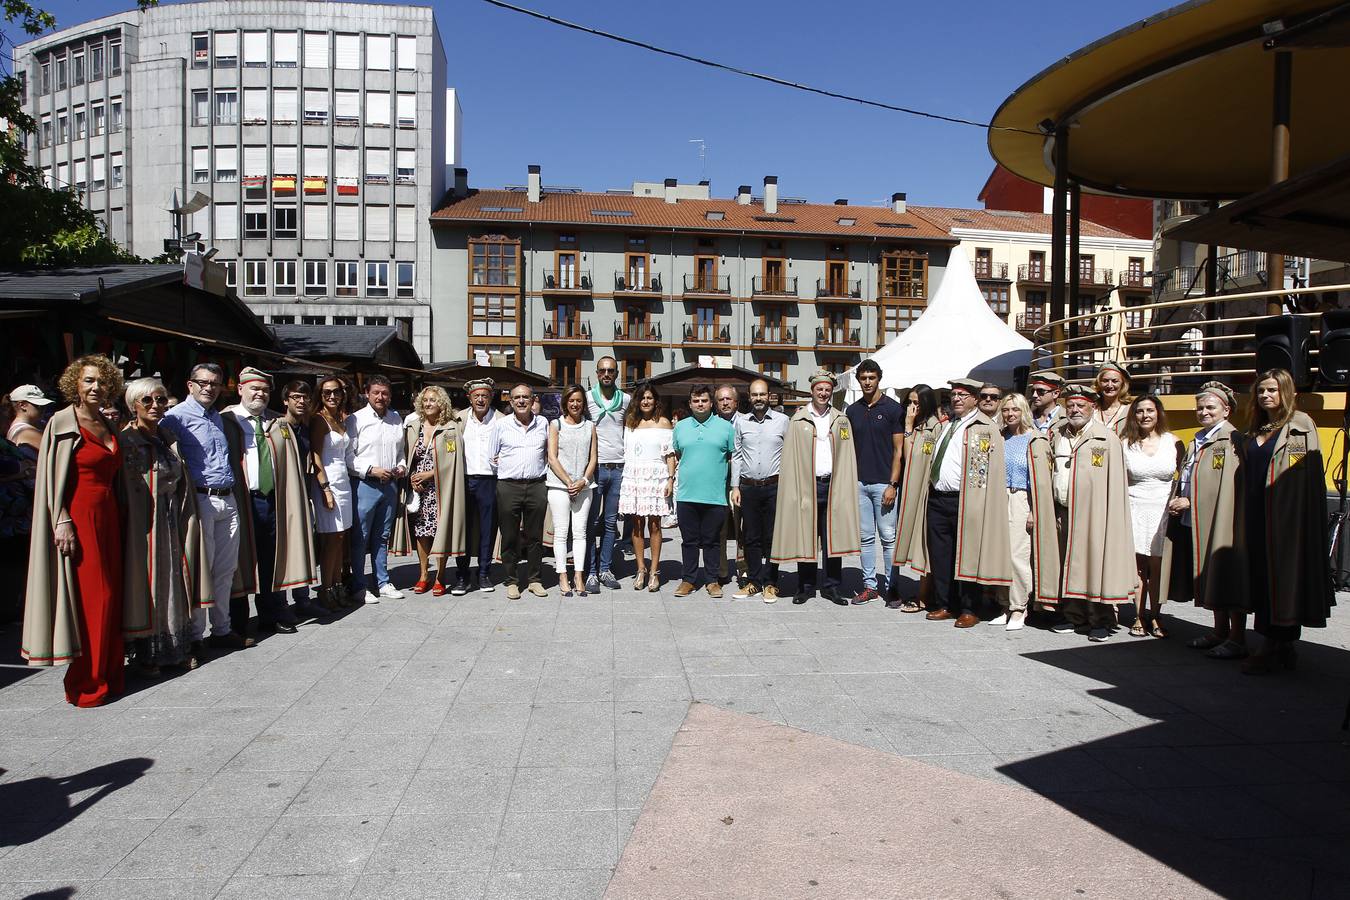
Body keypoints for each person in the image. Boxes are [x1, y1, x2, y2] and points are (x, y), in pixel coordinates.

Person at [22, 355, 126, 706]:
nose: (97, 387)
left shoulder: (106, 423)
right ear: (74, 385)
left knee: (112, 595)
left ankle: (110, 673)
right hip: (81, 517)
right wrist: (61, 518)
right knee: (94, 598)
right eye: (89, 381)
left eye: (102, 381)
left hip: (110, 515)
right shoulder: (62, 422)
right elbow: (52, 479)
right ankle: (86, 683)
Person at [1240, 368, 1334, 674]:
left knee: (1282, 577)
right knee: (1261, 577)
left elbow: (1301, 476)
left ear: (1286, 392)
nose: (1265, 395)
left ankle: (1273, 642)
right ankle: (1280, 645)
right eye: (1261, 390)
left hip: (1285, 517)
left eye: (1271, 390)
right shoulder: (1256, 426)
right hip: (1255, 514)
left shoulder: (1300, 425)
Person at [896, 378, 1010, 627]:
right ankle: (946, 603)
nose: (956, 399)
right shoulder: (946, 427)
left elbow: (989, 471)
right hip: (938, 498)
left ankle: (969, 608)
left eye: (962, 395)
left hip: (967, 499)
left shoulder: (984, 427)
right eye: (954, 395)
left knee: (967, 554)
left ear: (974, 399)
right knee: (941, 554)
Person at [1028, 384, 1135, 641]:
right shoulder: (1059, 434)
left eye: (1081, 405)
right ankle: (1073, 615)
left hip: (1093, 514)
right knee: (1067, 565)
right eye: (1071, 405)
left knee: (1093, 565)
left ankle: (1101, 619)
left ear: (1093, 407)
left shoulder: (1105, 438)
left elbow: (1115, 482)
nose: (1075, 410)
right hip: (1062, 512)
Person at [161, 363, 253, 651]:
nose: (209, 388)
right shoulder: (175, 418)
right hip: (200, 499)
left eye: (214, 383)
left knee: (226, 569)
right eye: (203, 382)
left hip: (227, 497)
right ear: (190, 385)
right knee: (202, 568)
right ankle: (196, 635)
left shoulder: (217, 417)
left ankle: (222, 629)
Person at [120, 377, 208, 673]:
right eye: (147, 401)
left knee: (175, 582)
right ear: (134, 406)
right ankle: (148, 654)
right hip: (143, 524)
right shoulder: (127, 440)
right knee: (149, 584)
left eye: (160, 399)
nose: (156, 405)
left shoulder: (167, 436)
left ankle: (175, 648)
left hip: (171, 518)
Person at [223, 368, 316, 635]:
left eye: (264, 390)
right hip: (241, 499)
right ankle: (236, 621)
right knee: (238, 562)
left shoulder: (276, 422)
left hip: (272, 499)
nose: (260, 394)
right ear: (240, 390)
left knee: (270, 558)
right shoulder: (227, 420)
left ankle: (271, 613)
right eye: (254, 389)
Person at [1159, 381, 1248, 653]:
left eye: (1211, 407)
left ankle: (1236, 637)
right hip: (1192, 518)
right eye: (1200, 408)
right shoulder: (1198, 438)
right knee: (1207, 575)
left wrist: (1190, 500)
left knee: (1225, 576)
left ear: (1226, 411)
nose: (1204, 412)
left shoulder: (1232, 440)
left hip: (1219, 520)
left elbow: (1228, 487)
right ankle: (1218, 631)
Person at [772, 370, 860, 605]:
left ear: (832, 392)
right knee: (806, 535)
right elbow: (790, 458)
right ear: (812, 391)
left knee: (833, 538)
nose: (823, 393)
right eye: (819, 389)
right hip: (806, 485)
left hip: (832, 485)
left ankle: (832, 586)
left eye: (827, 390)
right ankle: (806, 586)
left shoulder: (841, 419)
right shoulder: (798, 419)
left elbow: (847, 454)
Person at [1121, 394, 1183, 638]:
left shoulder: (1174, 442)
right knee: (1138, 567)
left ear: (1158, 413)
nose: (1145, 415)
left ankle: (1155, 615)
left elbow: (1183, 477)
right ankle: (1137, 615)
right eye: (1139, 411)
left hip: (1163, 510)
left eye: (1150, 410)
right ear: (1133, 415)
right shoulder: (1125, 443)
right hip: (1134, 506)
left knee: (1158, 566)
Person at [845, 360, 905, 604]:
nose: (867, 382)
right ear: (858, 380)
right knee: (865, 538)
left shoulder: (893, 409)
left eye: (872, 377)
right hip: (859, 483)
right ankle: (870, 586)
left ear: (879, 378)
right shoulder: (852, 410)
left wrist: (893, 484)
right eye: (863, 378)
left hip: (884, 483)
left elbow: (898, 450)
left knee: (888, 538)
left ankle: (892, 587)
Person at [398, 385, 466, 596]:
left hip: (440, 488)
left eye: (433, 400)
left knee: (439, 530)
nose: (428, 403)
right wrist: (412, 479)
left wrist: (428, 475)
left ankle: (440, 576)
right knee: (421, 533)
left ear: (442, 403)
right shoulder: (413, 426)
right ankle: (423, 574)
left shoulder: (450, 428)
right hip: (419, 490)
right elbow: (406, 457)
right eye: (425, 400)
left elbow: (451, 462)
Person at [346, 375, 407, 604]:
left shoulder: (395, 419)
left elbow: (401, 452)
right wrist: (371, 470)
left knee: (382, 537)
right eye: (376, 393)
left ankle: (383, 581)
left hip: (389, 485)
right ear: (367, 393)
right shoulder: (356, 419)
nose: (381, 397)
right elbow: (349, 456)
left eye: (385, 393)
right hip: (365, 484)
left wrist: (401, 467)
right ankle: (359, 585)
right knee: (360, 537)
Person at [671, 384, 735, 598]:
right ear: (690, 404)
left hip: (715, 496)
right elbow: (679, 454)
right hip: (687, 495)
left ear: (711, 403)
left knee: (712, 541)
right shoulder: (680, 427)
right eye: (696, 400)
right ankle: (688, 580)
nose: (700, 404)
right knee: (689, 541)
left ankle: (712, 580)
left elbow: (731, 458)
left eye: (704, 400)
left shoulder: (725, 427)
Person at [730, 379, 789, 602]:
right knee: (751, 537)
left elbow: (790, 454)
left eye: (762, 394)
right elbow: (736, 455)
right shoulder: (741, 423)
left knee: (772, 537)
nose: (758, 399)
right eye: (755, 395)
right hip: (748, 487)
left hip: (775, 487)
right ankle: (754, 581)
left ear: (769, 396)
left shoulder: (783, 421)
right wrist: (735, 486)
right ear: (749, 396)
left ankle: (771, 583)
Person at [490, 384, 550, 600]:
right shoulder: (501, 425)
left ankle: (535, 580)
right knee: (510, 536)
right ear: (511, 401)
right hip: (508, 486)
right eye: (517, 398)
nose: (522, 401)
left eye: (526, 397)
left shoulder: (543, 423)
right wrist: (507, 471)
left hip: (536, 485)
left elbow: (549, 454)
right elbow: (492, 456)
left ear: (533, 399)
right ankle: (512, 580)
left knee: (535, 537)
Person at [618, 384, 674, 592]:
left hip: (656, 477)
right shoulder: (631, 423)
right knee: (637, 524)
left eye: (649, 398)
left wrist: (670, 479)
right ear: (637, 401)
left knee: (655, 525)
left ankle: (654, 571)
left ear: (655, 400)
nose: (646, 401)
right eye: (642, 398)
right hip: (635, 476)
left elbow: (669, 454)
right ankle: (640, 569)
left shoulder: (664, 423)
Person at [310, 377, 356, 611]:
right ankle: (326, 588)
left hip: (343, 481)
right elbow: (316, 455)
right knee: (330, 538)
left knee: (340, 538)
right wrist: (325, 488)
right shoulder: (319, 421)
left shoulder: (339, 419)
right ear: (320, 395)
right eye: (327, 392)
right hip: (327, 483)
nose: (332, 396)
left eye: (336, 392)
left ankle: (338, 584)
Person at [548, 385, 598, 596]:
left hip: (584, 486)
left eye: (579, 401)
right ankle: (562, 575)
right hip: (559, 486)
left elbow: (593, 457)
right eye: (571, 401)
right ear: (565, 403)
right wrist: (569, 481)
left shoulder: (590, 426)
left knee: (580, 533)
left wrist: (583, 481)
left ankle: (578, 574)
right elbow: (552, 457)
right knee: (561, 532)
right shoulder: (556, 424)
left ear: (583, 404)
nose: (575, 404)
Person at [894, 384, 940, 612]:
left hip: (925, 493)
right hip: (912, 489)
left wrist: (909, 426)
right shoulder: (922, 424)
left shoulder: (932, 427)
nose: (912, 407)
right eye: (909, 402)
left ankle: (924, 595)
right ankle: (924, 592)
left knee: (924, 545)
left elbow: (913, 457)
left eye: (917, 403)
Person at [585, 357, 630, 592]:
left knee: (611, 522)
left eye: (610, 370)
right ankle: (591, 572)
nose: (606, 374)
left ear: (616, 374)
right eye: (602, 370)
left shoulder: (626, 400)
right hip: (596, 468)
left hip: (618, 468)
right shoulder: (588, 398)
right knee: (592, 522)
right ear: (596, 372)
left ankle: (605, 569)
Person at [454, 378, 503, 594]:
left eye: (485, 395)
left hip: (489, 480)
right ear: (470, 398)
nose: (481, 399)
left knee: (487, 529)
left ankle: (484, 573)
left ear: (491, 397)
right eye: (477, 396)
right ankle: (462, 575)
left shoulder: (501, 420)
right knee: (463, 528)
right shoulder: (459, 419)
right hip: (463, 479)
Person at [995, 391, 1035, 630]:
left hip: (1021, 497)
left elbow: (1038, 478)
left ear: (1023, 411)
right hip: (1000, 496)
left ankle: (1019, 606)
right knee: (1000, 554)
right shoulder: (1001, 437)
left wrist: (1033, 510)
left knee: (1017, 555)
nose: (1010, 414)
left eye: (1015, 409)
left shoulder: (1033, 438)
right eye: (1006, 410)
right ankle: (1004, 604)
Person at [713, 385, 744, 585]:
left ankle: (744, 569)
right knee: (720, 529)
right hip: (717, 483)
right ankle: (722, 571)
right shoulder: (711, 423)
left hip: (741, 483)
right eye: (721, 400)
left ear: (736, 402)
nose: (725, 403)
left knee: (742, 528)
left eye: (728, 399)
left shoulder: (746, 421)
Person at [7, 384, 50, 454]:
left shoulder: (14, 427)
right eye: (38, 405)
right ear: (22, 405)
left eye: (44, 406)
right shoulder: (27, 432)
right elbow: (57, 454)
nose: (43, 409)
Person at [1093, 361, 1132, 433]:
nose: (1110, 385)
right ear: (1098, 383)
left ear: (1122, 384)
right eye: (1105, 381)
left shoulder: (1130, 411)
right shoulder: (1092, 410)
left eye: (1115, 381)